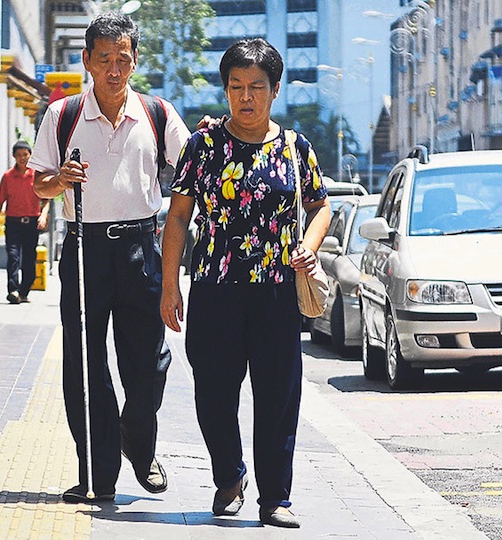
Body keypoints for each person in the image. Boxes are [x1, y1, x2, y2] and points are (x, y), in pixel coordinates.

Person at [160, 38, 331, 528]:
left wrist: (310, 246)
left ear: (275, 90)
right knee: (213, 394)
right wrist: (170, 287)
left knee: (278, 396)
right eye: (236, 86)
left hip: (277, 290)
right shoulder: (203, 146)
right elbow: (178, 218)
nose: (246, 96)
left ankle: (275, 497)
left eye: (256, 86)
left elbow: (320, 206)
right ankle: (229, 475)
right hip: (215, 289)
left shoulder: (296, 147)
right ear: (225, 90)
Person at [28, 12, 191, 503]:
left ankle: (138, 443)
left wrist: (213, 135)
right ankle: (97, 474)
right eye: (104, 59)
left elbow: (192, 166)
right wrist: (60, 180)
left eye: (123, 59)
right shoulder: (63, 115)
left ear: (135, 61)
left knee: (150, 362)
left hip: (141, 247)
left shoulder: (157, 113)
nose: (114, 70)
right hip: (85, 248)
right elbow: (40, 184)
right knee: (85, 364)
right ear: (87, 61)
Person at [0, 140, 48, 304]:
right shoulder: (8, 177)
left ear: (30, 155)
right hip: (13, 223)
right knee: (13, 256)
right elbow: (0, 201)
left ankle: (24, 291)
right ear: (14, 157)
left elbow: (46, 200)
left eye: (25, 154)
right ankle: (13, 290)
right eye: (19, 155)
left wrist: (43, 216)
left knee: (29, 258)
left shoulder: (36, 175)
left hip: (31, 223)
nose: (22, 158)